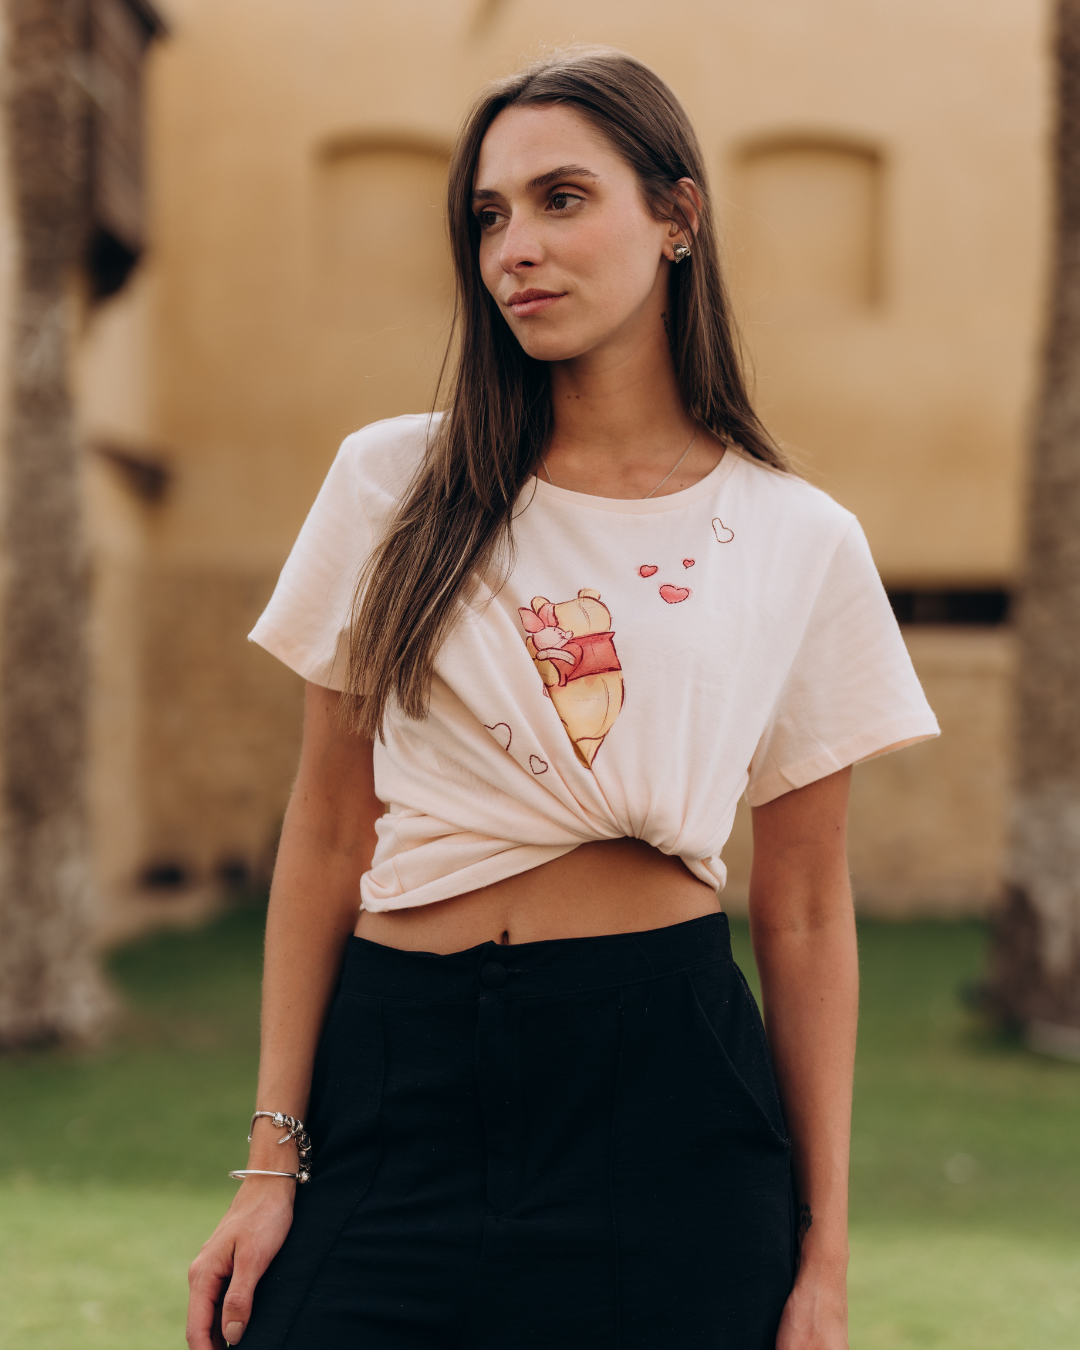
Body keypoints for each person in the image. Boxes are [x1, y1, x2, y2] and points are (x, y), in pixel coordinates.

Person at [186, 47, 938, 1350]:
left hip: (666, 1094)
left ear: (677, 218)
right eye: (490, 216)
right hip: (399, 1077)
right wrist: (269, 1160)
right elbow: (329, 826)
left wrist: (823, 1251)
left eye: (562, 199)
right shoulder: (391, 485)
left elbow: (809, 903)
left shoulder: (795, 535)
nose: (515, 249)